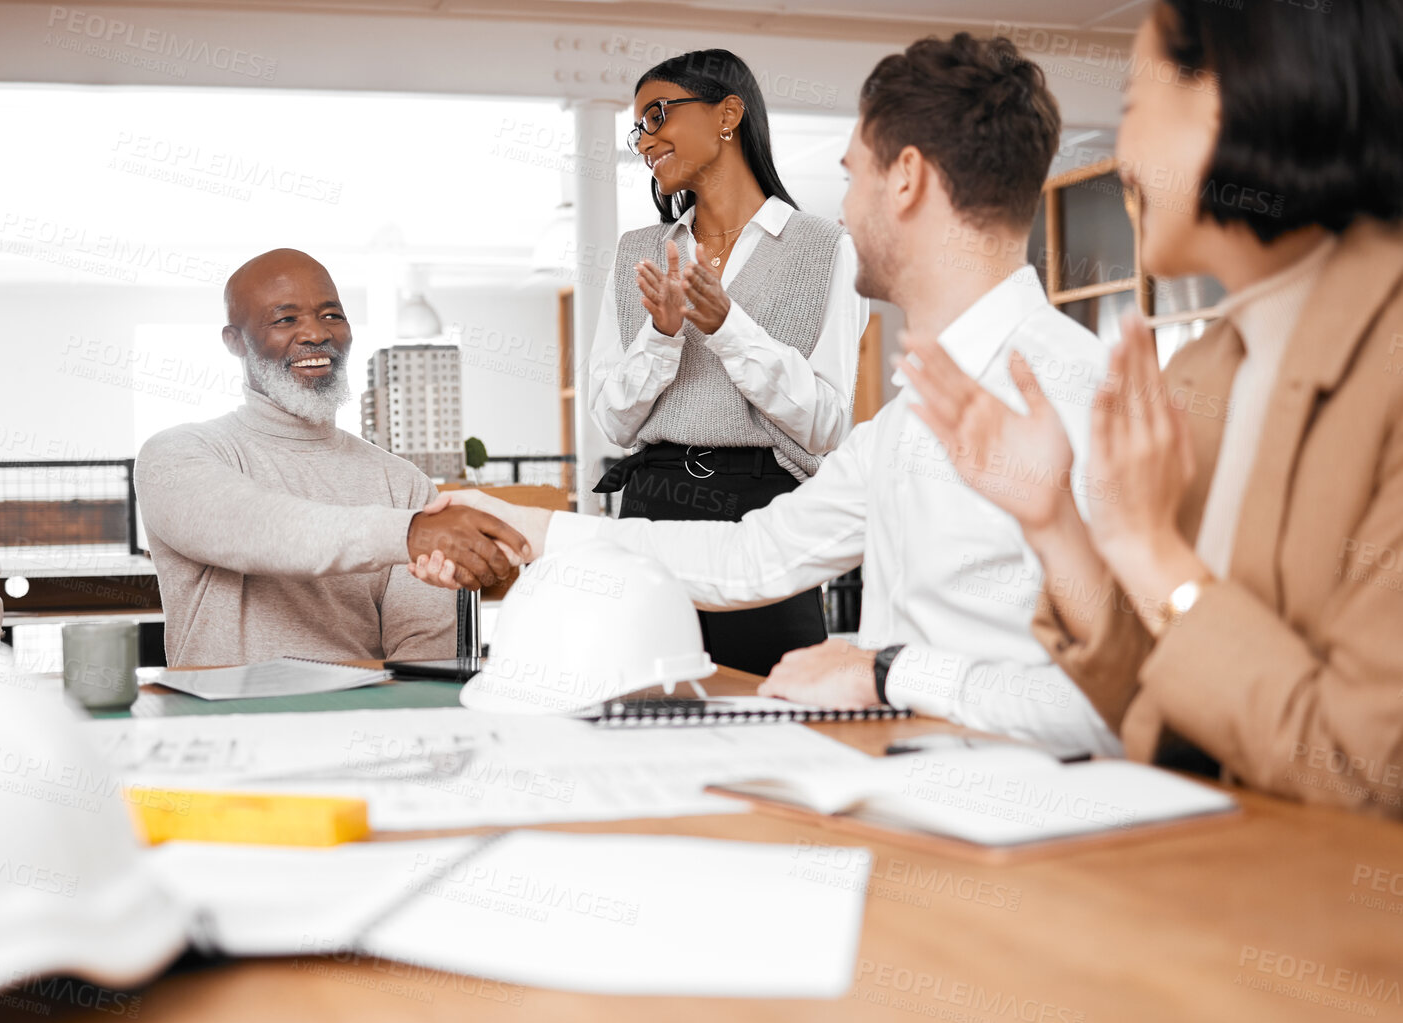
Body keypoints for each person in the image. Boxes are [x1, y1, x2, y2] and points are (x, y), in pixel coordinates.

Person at [416, 34, 1121, 756]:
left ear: (904, 179)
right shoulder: (905, 423)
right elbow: (752, 557)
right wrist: (527, 527)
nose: (842, 211)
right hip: (906, 794)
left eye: (851, 177)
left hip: (1025, 823)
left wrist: (884, 673)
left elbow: (1124, 705)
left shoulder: (1082, 394)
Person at [900, 1, 1403, 813]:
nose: (1121, 155)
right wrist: (1051, 519)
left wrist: (1150, 554)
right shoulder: (1205, 367)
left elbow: (1364, 774)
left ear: (1236, 93)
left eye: (1134, 107)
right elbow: (1160, 699)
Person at [589, 48, 869, 676]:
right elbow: (612, 421)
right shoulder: (639, 250)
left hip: (766, 512)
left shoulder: (826, 249)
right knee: (642, 707)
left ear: (728, 114)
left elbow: (827, 424)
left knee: (776, 714)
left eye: (658, 114)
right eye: (638, 127)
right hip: (652, 505)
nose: (645, 139)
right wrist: (661, 337)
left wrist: (727, 327)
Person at [135, 249, 530, 668]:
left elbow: (424, 656)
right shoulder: (174, 455)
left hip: (360, 721)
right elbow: (256, 527)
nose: (315, 334)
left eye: (331, 315)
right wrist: (411, 533)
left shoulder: (403, 484)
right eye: (286, 319)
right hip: (223, 723)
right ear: (235, 342)